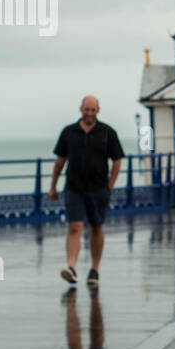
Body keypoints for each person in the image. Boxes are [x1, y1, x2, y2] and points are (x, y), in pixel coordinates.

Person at [49, 95, 124, 287]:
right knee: (74, 227)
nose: (89, 113)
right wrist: (53, 186)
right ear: (80, 109)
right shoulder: (69, 132)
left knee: (96, 227)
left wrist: (110, 185)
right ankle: (71, 267)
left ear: (98, 111)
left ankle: (94, 270)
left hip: (99, 189)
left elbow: (117, 160)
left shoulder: (107, 132)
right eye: (86, 109)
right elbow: (60, 160)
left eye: (92, 110)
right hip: (74, 188)